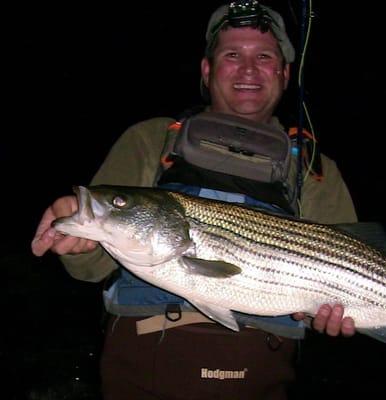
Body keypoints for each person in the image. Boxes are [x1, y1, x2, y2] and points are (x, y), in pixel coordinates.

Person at [31, 2, 358, 399]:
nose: (249, 70)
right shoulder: (152, 140)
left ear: (284, 74)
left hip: (260, 371)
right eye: (232, 55)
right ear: (207, 70)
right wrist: (77, 241)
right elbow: (88, 268)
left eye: (264, 57)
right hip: (144, 359)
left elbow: (343, 281)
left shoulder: (314, 168)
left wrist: (328, 312)